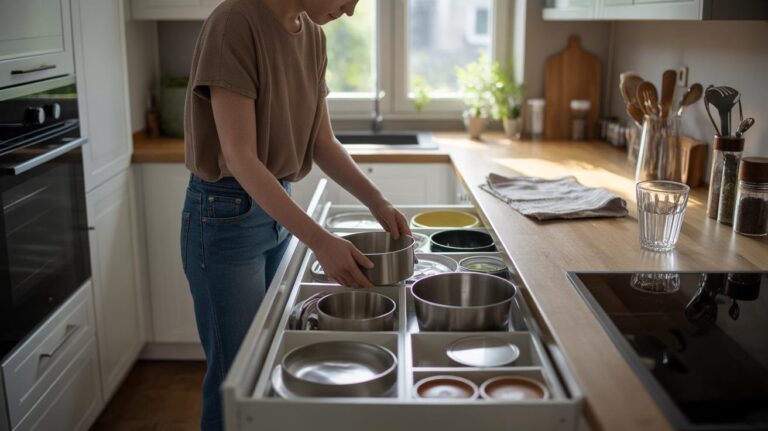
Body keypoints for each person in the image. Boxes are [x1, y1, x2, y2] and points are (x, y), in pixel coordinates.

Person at [180, 0, 410, 429]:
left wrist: (377, 201)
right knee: (237, 380)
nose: (351, 11)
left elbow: (322, 143)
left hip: (276, 209)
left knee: (268, 364)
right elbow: (241, 157)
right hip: (224, 216)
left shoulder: (313, 37)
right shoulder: (235, 22)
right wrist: (321, 241)